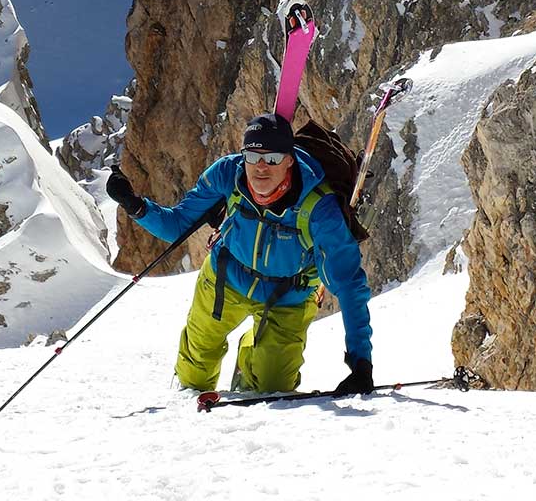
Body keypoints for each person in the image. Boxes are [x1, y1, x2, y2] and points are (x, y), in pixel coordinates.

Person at [107, 112, 373, 395]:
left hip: (288, 295)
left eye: (272, 159)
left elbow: (349, 284)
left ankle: (253, 353)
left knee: (271, 389)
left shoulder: (319, 209)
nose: (261, 167)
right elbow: (179, 225)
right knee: (194, 370)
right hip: (226, 278)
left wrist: (361, 363)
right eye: (252, 156)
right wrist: (134, 206)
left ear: (289, 160)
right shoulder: (227, 174)